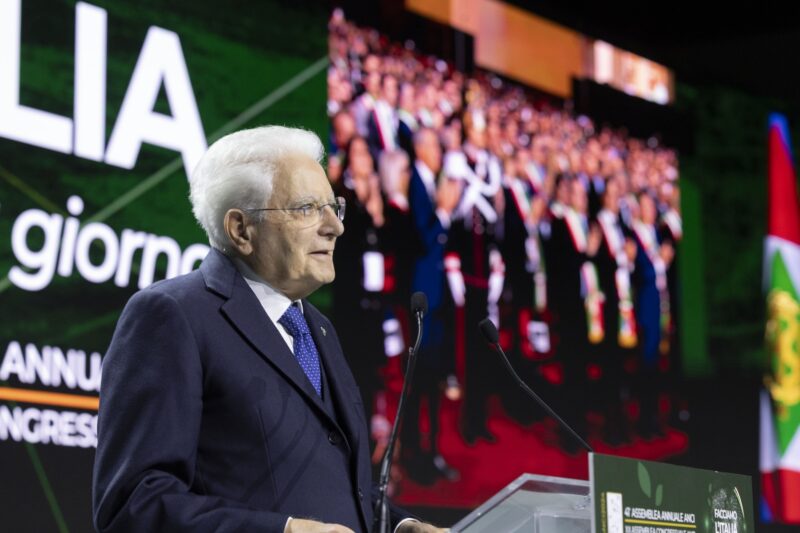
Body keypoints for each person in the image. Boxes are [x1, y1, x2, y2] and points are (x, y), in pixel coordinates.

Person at [92, 126, 444, 533]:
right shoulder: (172, 315)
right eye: (308, 208)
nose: (335, 227)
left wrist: (402, 527)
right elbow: (133, 505)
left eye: (334, 207)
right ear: (241, 230)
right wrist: (284, 531)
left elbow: (345, 491)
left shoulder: (320, 330)